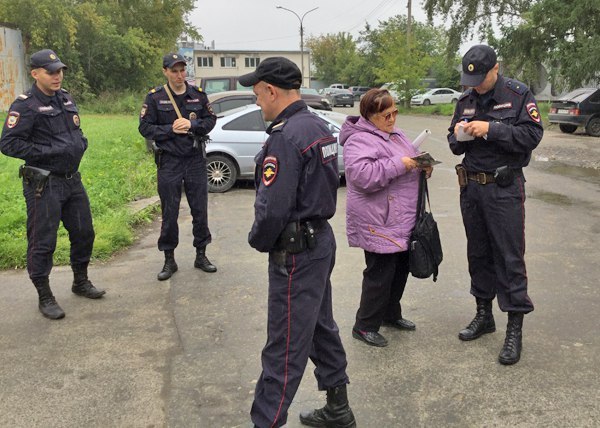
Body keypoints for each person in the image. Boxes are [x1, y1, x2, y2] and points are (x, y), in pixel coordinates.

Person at [239, 57, 355, 428]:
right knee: (321, 327)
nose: (257, 102)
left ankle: (265, 422)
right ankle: (338, 407)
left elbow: (273, 210)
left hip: (296, 252)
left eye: (258, 94)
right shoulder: (317, 125)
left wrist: (258, 240)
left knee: (284, 347)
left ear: (272, 90)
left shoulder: (285, 136)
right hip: (319, 242)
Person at [448, 44, 543, 365]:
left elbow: (532, 135)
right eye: (469, 80)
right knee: (478, 253)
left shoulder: (518, 95)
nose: (474, 86)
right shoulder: (465, 100)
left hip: (504, 189)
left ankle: (514, 329)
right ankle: (483, 316)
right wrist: (460, 135)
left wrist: (493, 129)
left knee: (509, 256)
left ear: (495, 69)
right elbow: (452, 144)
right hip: (471, 188)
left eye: (480, 79)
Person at [0, 49, 105, 320]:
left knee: (84, 232)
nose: (57, 76)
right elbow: (9, 144)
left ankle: (80, 282)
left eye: (59, 70)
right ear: (35, 74)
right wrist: (50, 151)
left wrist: (80, 143)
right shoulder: (25, 105)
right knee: (42, 242)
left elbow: (75, 131)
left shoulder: (66, 98)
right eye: (51, 71)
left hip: (72, 181)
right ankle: (44, 296)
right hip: (44, 185)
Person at [340, 88, 432, 348]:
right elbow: (363, 176)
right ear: (370, 116)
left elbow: (406, 163)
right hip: (378, 219)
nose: (392, 119)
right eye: (386, 115)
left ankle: (391, 314)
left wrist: (422, 168)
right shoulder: (359, 140)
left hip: (401, 218)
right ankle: (365, 325)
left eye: (395, 112)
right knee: (379, 274)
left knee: (400, 270)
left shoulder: (396, 134)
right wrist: (403, 164)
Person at [139, 53, 217, 281]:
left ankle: (201, 255)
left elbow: (210, 121)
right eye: (174, 70)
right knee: (169, 213)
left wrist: (192, 124)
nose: (179, 75)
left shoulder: (198, 95)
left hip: (194, 160)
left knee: (200, 211)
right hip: (169, 162)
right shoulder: (155, 98)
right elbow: (144, 128)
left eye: (182, 70)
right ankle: (169, 260)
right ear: (165, 72)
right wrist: (170, 130)